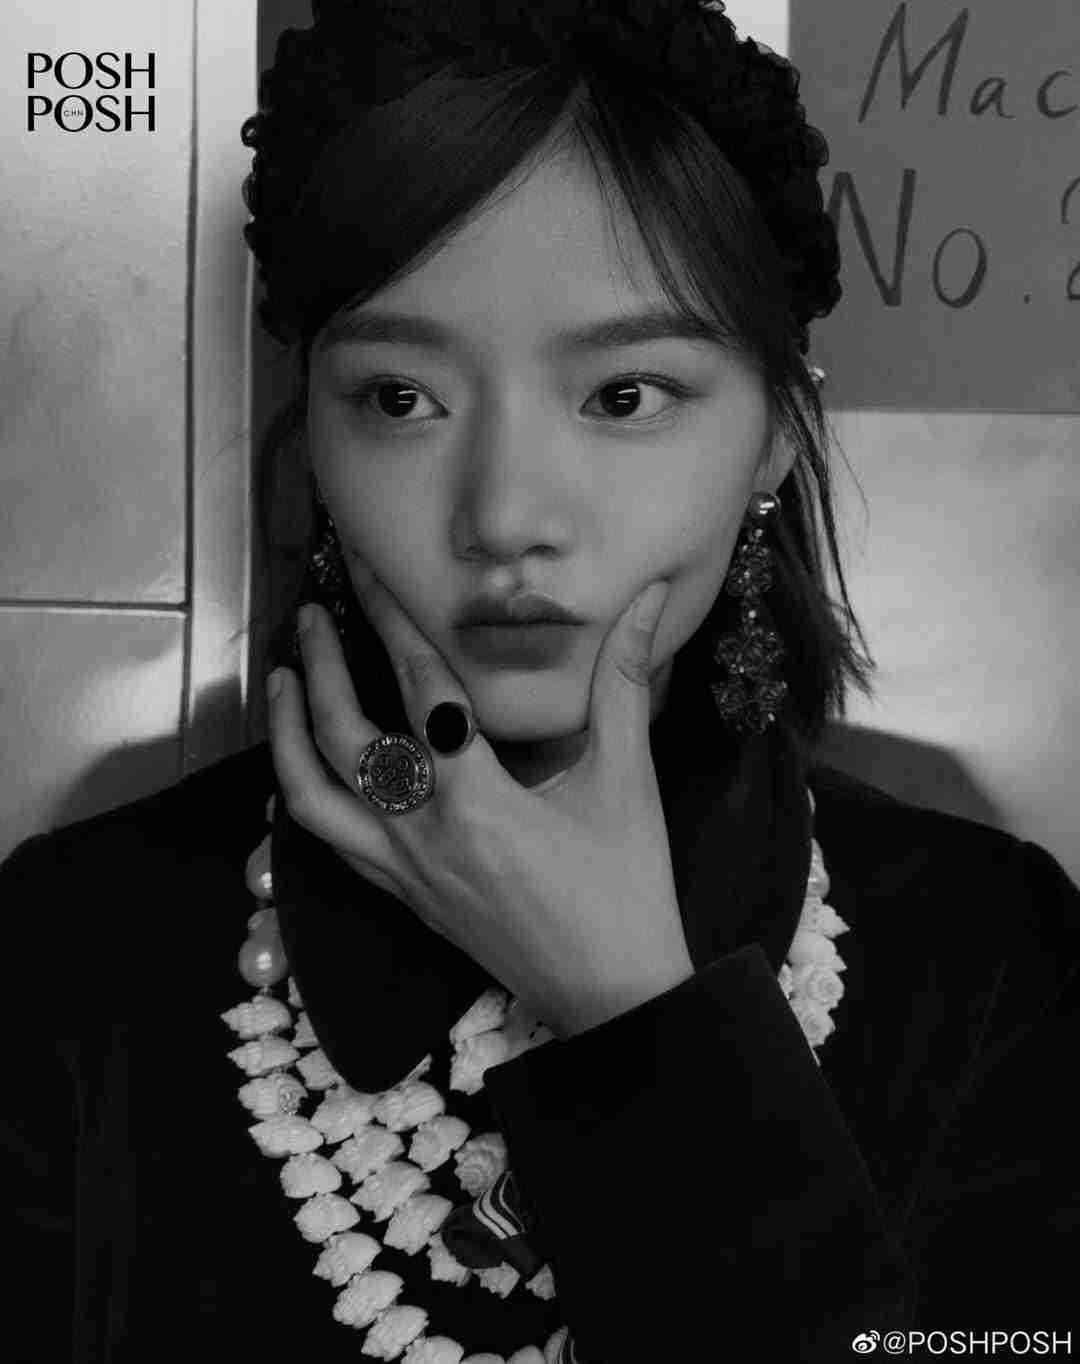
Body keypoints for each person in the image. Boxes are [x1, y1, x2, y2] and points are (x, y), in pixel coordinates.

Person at [3, 2, 1078, 1360]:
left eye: (623, 397)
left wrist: (637, 1012)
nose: (506, 514)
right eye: (401, 399)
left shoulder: (988, 958)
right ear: (314, 433)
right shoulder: (74, 953)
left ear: (776, 431)